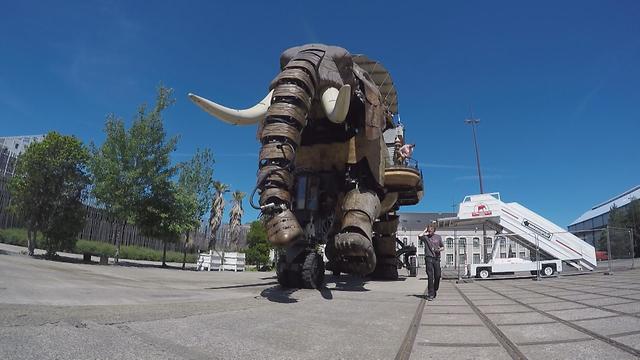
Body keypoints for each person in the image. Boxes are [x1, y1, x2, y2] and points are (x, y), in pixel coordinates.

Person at [418, 223, 444, 301]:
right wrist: (425, 230)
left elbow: (442, 247)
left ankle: (435, 288)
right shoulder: (425, 237)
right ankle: (430, 294)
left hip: (436, 258)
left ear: (434, 230)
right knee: (430, 276)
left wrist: (439, 250)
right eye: (429, 230)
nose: (429, 232)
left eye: (431, 230)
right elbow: (419, 236)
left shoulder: (438, 237)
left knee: (438, 275)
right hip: (428, 258)